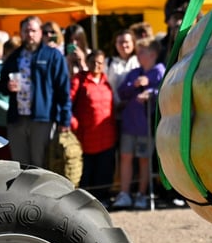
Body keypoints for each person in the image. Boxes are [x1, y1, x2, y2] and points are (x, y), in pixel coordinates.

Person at [0, 16, 72, 168]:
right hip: (17, 119)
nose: (30, 34)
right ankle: (23, 192)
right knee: (20, 165)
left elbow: (63, 89)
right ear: (21, 33)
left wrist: (65, 119)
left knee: (41, 164)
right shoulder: (14, 57)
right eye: (26, 30)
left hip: (42, 119)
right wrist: (8, 86)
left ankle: (42, 193)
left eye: (33, 30)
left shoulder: (53, 56)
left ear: (40, 33)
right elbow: (1, 86)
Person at [113, 38, 165, 210]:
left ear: (152, 54)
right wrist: (133, 85)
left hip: (146, 126)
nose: (138, 54)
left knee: (144, 160)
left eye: (142, 51)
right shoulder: (135, 72)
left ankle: (142, 195)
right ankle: (124, 193)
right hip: (130, 123)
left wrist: (150, 91)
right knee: (126, 157)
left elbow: (165, 90)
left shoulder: (159, 71)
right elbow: (122, 92)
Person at [71, 50, 117, 204]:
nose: (97, 65)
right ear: (88, 62)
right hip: (86, 135)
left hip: (107, 136)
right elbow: (68, 102)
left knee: (104, 170)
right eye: (93, 62)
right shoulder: (80, 80)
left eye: (100, 62)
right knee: (87, 171)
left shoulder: (106, 82)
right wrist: (73, 123)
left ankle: (103, 198)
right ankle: (85, 201)